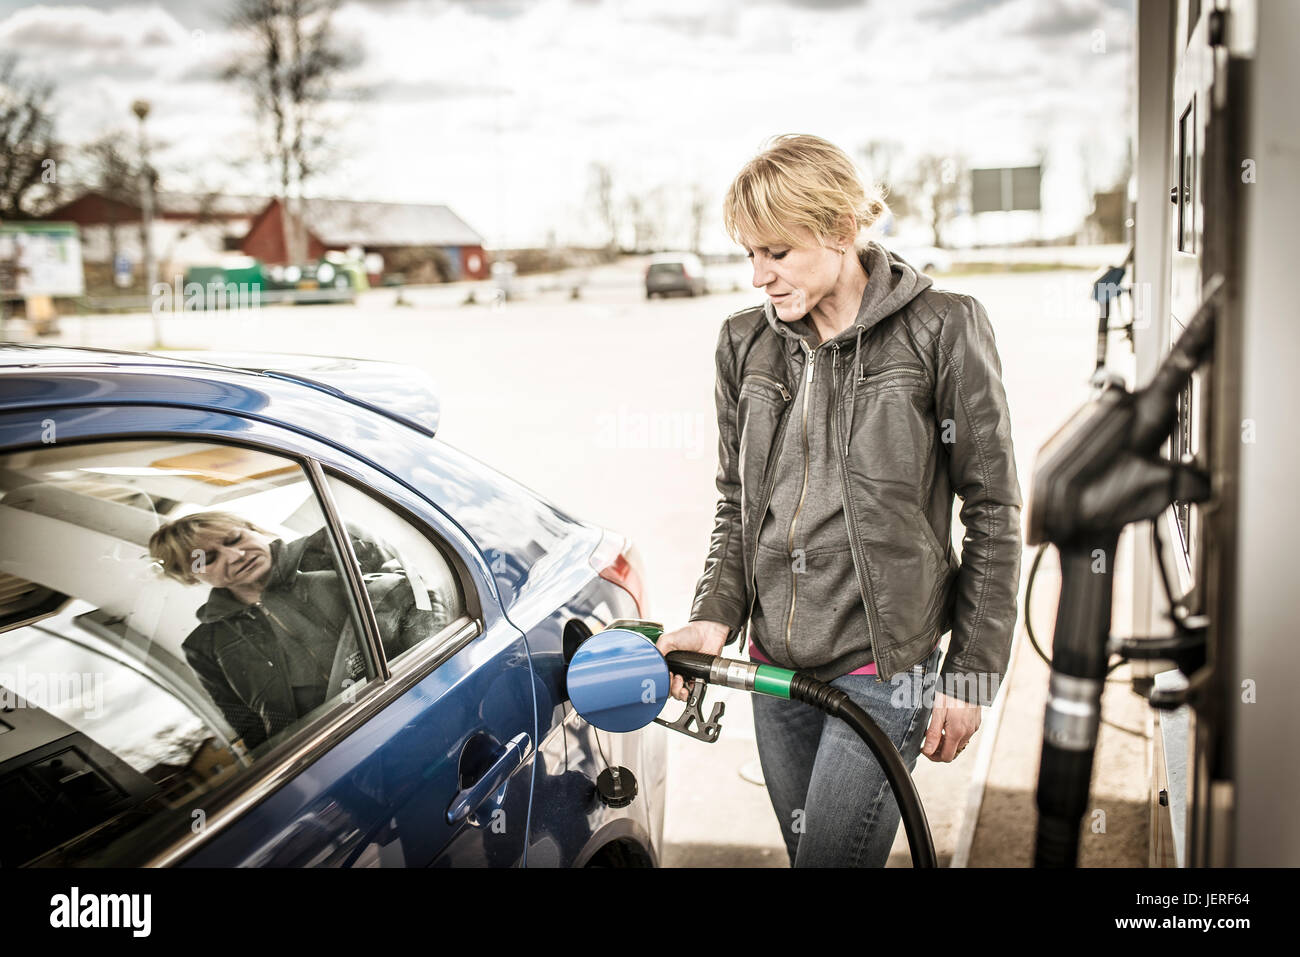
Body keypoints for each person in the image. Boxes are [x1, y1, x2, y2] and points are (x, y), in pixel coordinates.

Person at [657, 134, 1023, 867]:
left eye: (778, 253)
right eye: (749, 255)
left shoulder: (942, 328)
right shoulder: (742, 344)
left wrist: (973, 671)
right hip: (772, 668)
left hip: (886, 669)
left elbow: (993, 509)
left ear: (843, 230)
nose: (759, 275)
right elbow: (739, 503)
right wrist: (712, 615)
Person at [149, 511, 451, 751]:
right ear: (191, 578)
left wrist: (434, 695)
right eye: (209, 559)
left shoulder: (338, 545)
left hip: (420, 708)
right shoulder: (205, 645)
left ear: (252, 528)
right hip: (334, 756)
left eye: (234, 539)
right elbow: (254, 734)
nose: (234, 556)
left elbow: (426, 611)